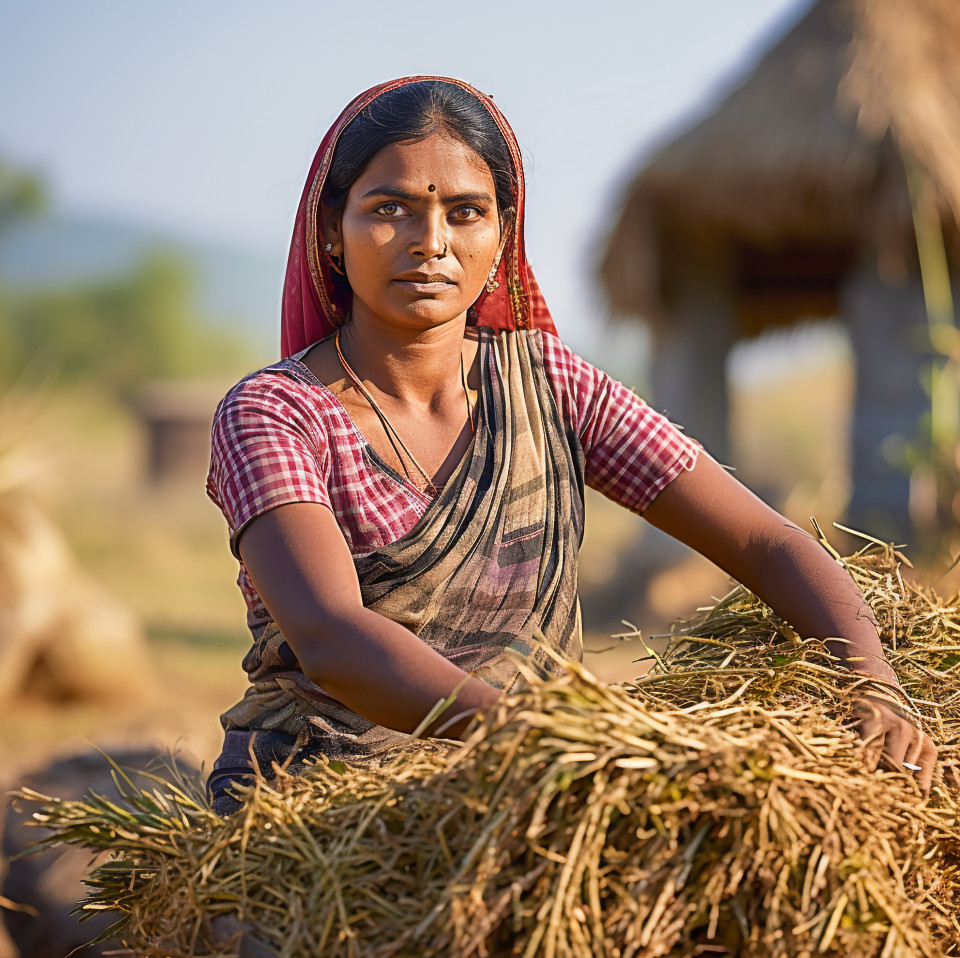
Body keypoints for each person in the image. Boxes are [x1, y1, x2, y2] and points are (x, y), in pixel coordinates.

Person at [205, 76, 936, 816]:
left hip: (522, 800)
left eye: (466, 213)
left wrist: (872, 682)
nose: (432, 244)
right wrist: (545, 738)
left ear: (502, 236)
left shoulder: (549, 384)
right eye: (389, 209)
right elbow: (331, 635)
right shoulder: (276, 414)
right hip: (311, 803)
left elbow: (766, 541)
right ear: (331, 230)